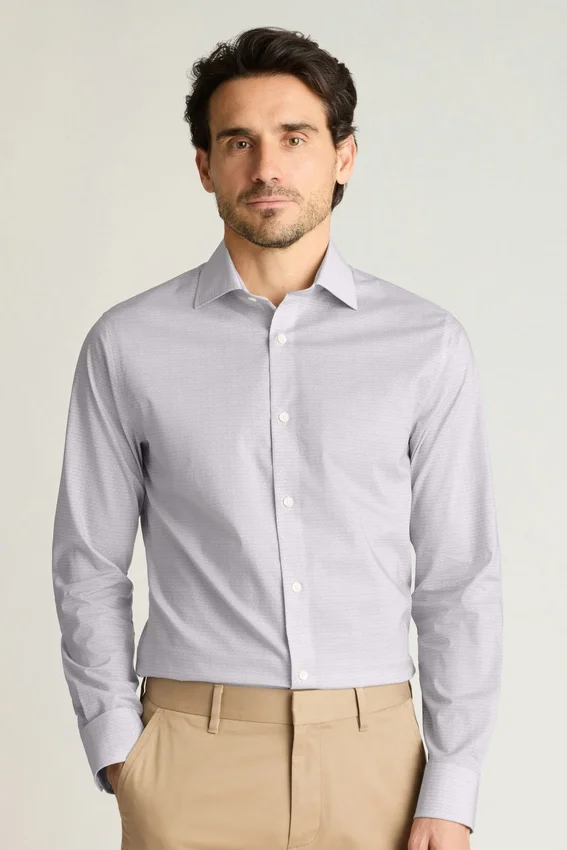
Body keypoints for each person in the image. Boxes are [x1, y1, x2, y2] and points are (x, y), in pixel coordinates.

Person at [51, 25, 503, 850]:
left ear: (342, 156)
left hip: (378, 760)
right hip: (190, 758)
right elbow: (88, 563)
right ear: (205, 166)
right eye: (239, 142)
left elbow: (458, 578)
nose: (266, 167)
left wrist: (452, 782)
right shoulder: (129, 343)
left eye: (294, 138)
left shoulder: (425, 344)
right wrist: (120, 750)